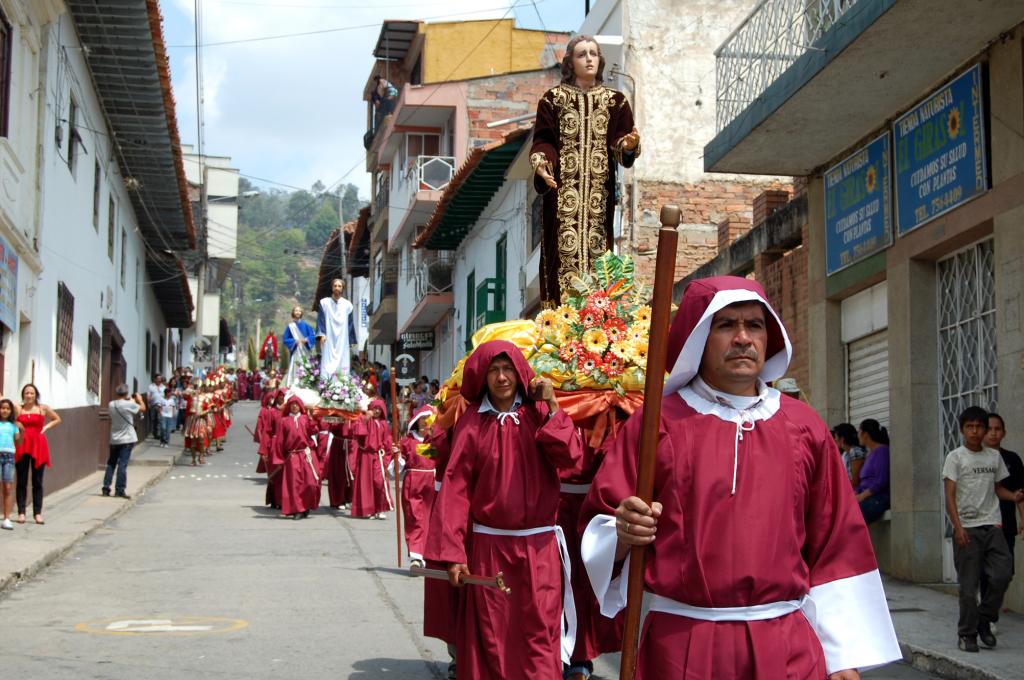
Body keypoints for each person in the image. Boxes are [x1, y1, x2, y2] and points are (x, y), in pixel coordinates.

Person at [580, 275, 901, 679]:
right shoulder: (657, 423)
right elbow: (601, 523)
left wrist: (842, 654)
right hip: (683, 647)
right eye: (726, 325)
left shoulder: (804, 426)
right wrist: (623, 532)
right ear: (699, 337)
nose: (743, 338)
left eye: (754, 325)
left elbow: (836, 541)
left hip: (787, 646)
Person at [429, 340, 582, 679]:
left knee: (540, 636)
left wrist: (553, 405)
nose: (501, 377)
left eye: (508, 369)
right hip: (490, 550)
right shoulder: (471, 423)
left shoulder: (538, 414)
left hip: (539, 550)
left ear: (520, 373)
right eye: (494, 370)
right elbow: (455, 490)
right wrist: (453, 553)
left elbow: (571, 457)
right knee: (491, 637)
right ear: (482, 378)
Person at [530, 34, 640, 304]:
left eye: (593, 53)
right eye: (582, 54)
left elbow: (620, 142)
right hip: (562, 202)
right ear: (570, 62)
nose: (589, 59)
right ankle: (559, 317)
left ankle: (599, 316)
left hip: (598, 204)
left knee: (600, 265)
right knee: (559, 263)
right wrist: (542, 163)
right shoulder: (553, 100)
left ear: (600, 60)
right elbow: (544, 141)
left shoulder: (616, 102)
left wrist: (628, 145)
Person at [943, 406, 1024, 652]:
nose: (975, 431)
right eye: (970, 427)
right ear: (962, 430)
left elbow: (997, 488)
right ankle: (967, 634)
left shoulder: (993, 457)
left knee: (1003, 574)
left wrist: (1013, 497)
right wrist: (957, 527)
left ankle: (984, 618)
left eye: (979, 426)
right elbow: (950, 496)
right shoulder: (955, 457)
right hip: (967, 528)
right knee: (969, 588)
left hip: (993, 525)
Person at [984, 413, 1024, 576]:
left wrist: (1023, 518)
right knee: (983, 573)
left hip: (1005, 523)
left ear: (1004, 433)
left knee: (1004, 573)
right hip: (980, 525)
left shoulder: (1012, 459)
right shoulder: (971, 458)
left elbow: (1020, 492)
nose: (993, 433)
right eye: (989, 429)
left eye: (997, 429)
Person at [15, 384, 61, 525]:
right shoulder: (18, 408)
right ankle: (21, 512)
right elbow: (8, 416)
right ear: (23, 395)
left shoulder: (43, 408)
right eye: (26, 393)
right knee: (21, 480)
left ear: (36, 395)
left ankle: (37, 513)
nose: (29, 395)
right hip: (22, 444)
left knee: (37, 481)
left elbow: (57, 419)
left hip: (38, 445)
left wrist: (46, 427)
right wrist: (16, 424)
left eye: (32, 393)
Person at [397, 406, 437, 567]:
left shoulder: (435, 440)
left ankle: (426, 554)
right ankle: (415, 555)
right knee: (414, 517)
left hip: (432, 482)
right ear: (417, 420)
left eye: (429, 419)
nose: (425, 422)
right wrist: (396, 455)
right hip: (413, 482)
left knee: (430, 519)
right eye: (423, 418)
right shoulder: (407, 441)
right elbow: (396, 470)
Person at [274, 395, 322, 520]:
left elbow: (314, 430)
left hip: (307, 454)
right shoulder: (283, 421)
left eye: (296, 404)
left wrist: (311, 418)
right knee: (295, 485)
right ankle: (298, 509)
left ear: (300, 406)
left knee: (311, 483)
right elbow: (279, 441)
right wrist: (279, 458)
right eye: (292, 404)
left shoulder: (305, 418)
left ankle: (306, 505)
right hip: (292, 456)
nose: (294, 406)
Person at [349, 399, 395, 520]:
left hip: (378, 456)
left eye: (379, 409)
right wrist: (366, 419)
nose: (377, 411)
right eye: (375, 408)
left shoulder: (384, 423)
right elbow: (357, 433)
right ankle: (368, 509)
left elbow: (387, 441)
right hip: (366, 455)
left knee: (379, 482)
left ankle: (380, 508)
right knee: (366, 483)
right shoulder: (364, 419)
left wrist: (387, 457)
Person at [104, 386, 146, 499]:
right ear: (126, 393)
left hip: (114, 438)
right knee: (122, 464)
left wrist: (130, 401)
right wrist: (140, 399)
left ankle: (106, 488)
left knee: (111, 463)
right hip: (127, 438)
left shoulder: (111, 404)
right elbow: (143, 408)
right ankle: (119, 490)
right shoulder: (129, 405)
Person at [316, 278, 357, 378]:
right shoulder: (324, 303)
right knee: (327, 358)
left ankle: (342, 382)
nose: (337, 288)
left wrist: (351, 340)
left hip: (342, 338)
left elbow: (350, 323)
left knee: (342, 358)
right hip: (328, 337)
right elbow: (321, 319)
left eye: (339, 286)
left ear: (342, 288)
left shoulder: (348, 305)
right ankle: (326, 382)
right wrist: (321, 334)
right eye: (335, 286)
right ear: (332, 288)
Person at [856, 419, 890, 524]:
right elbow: (863, 483)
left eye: (859, 431)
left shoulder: (882, 451)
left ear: (865, 434)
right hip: (867, 498)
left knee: (850, 519)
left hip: (877, 498)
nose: (857, 435)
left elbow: (881, 481)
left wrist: (862, 496)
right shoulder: (870, 454)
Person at [0, 399, 23, 530]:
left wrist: (21, 430)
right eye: (2, 408)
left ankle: (7, 518)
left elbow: (18, 443)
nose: (5, 411)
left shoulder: (13, 425)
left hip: (9, 457)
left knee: (7, 488)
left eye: (8, 409)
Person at [283, 305, 317, 386]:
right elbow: (285, 339)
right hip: (296, 350)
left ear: (301, 313)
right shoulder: (290, 326)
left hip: (305, 350)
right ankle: (294, 384)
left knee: (306, 365)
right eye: (296, 310)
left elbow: (313, 336)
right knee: (295, 365)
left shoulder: (306, 325)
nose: (298, 312)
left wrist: (307, 340)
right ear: (293, 313)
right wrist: (294, 342)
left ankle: (306, 384)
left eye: (299, 311)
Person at [833, 422, 868, 488]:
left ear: (842, 439)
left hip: (858, 491)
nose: (834, 439)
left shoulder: (855, 451)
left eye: (836, 437)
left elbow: (855, 482)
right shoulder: (845, 454)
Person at [146, 374, 165, 441]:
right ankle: (154, 432)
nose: (159, 380)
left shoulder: (163, 387)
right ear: (155, 379)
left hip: (161, 405)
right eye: (158, 378)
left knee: (159, 419)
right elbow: (148, 395)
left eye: (160, 378)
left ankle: (158, 434)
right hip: (153, 405)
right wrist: (148, 403)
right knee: (153, 419)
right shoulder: (151, 386)